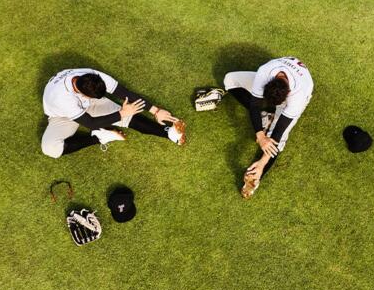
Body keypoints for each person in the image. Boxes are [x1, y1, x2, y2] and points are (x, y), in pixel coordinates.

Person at [219, 56, 313, 198]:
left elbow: (279, 132)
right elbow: (254, 105)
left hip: (300, 91)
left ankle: (256, 177)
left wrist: (262, 163)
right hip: (284, 78)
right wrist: (260, 135)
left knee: (280, 139)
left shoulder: (297, 97)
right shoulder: (265, 72)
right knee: (230, 80)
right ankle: (266, 117)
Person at [41, 68, 185, 158]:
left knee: (128, 116)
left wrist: (155, 110)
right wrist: (121, 113)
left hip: (88, 103)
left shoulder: (92, 76)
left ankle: (169, 133)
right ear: (83, 94)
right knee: (51, 148)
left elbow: (124, 93)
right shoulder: (62, 99)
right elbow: (90, 123)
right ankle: (99, 137)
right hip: (63, 116)